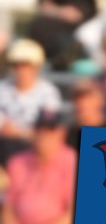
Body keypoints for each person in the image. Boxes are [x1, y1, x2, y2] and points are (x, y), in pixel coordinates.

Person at [0, 38, 62, 166]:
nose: (21, 71)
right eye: (17, 65)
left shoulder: (48, 93)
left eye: (26, 65)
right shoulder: (2, 89)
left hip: (34, 151)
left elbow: (47, 132)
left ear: (36, 67)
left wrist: (18, 132)